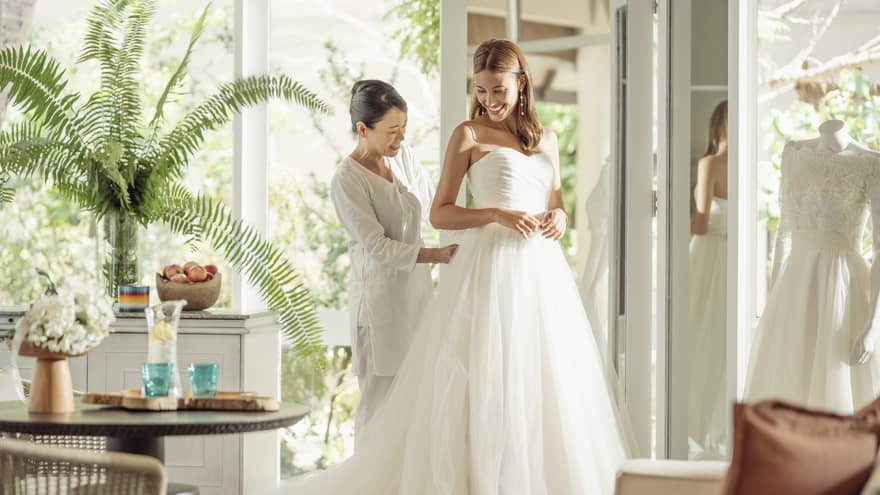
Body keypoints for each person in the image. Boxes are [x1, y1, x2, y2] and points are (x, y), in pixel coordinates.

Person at [283, 40, 630, 494]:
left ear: (521, 83)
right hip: (490, 269)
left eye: (499, 90)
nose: (490, 100)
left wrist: (561, 218)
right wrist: (495, 214)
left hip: (542, 274)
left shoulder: (546, 139)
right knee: (486, 377)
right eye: (481, 91)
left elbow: (555, 202)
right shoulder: (468, 134)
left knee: (546, 379)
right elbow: (440, 213)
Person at [330, 79, 458, 442]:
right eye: (391, 131)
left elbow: (435, 207)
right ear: (362, 129)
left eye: (404, 128)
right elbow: (376, 244)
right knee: (379, 407)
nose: (400, 138)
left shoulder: (403, 158)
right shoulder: (347, 180)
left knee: (418, 402)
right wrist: (435, 256)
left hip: (416, 299)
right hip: (379, 307)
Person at [686, 100, 729, 459]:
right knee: (722, 337)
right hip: (733, 257)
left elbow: (700, 223)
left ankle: (694, 423)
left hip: (708, 253)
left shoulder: (710, 164)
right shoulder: (747, 165)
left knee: (698, 332)